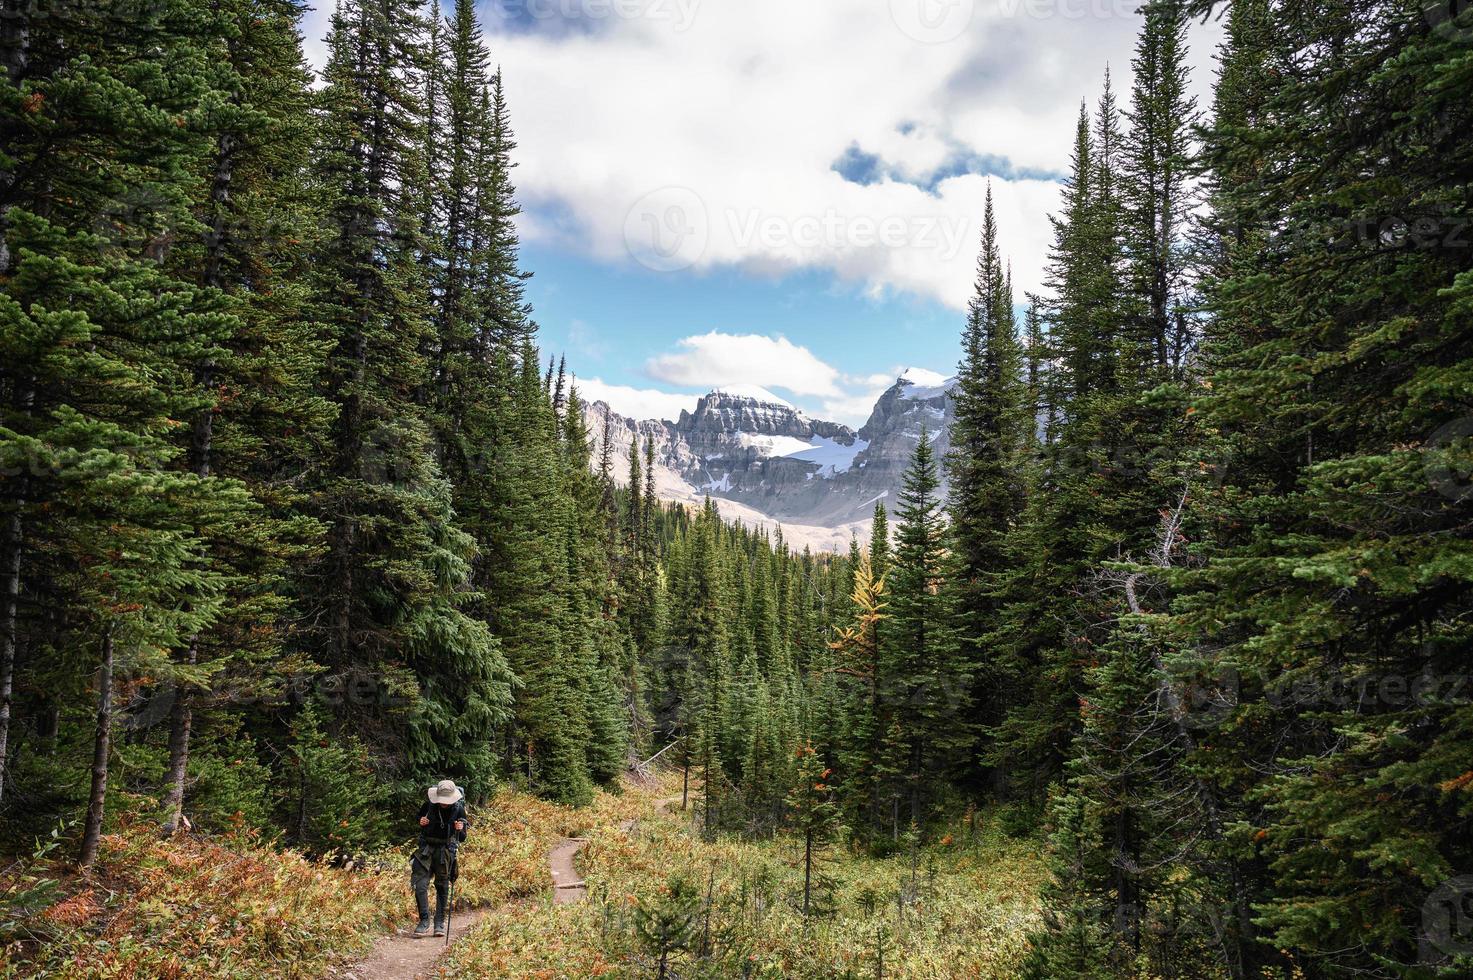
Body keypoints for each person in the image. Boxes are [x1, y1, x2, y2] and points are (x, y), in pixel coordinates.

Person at [411, 779, 468, 937]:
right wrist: (420, 821)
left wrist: (460, 829)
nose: (444, 803)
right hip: (426, 849)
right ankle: (424, 921)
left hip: (445, 851)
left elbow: (462, 838)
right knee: (420, 884)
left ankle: (439, 923)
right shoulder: (428, 805)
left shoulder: (459, 808)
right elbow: (418, 820)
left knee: (442, 886)